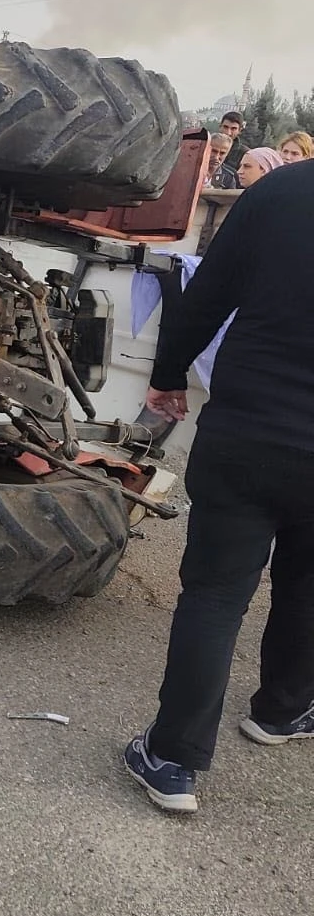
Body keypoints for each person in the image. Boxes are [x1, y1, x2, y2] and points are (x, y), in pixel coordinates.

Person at [124, 156, 314, 813]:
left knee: (215, 594)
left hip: (250, 432)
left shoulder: (280, 192)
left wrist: (168, 374)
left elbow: (203, 297)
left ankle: (172, 759)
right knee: (307, 583)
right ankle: (282, 711)